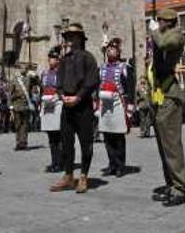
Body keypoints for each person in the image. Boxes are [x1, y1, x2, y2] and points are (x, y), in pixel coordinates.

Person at [50, 23, 99, 194]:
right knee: (66, 142)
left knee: (86, 143)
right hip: (67, 105)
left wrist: (78, 97)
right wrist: (63, 95)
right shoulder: (64, 59)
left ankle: (84, 175)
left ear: (80, 38)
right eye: (68, 36)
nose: (70, 39)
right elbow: (59, 82)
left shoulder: (88, 58)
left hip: (83, 105)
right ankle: (68, 175)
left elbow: (92, 81)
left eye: (73, 36)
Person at [148, 9, 185, 207]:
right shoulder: (164, 34)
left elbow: (164, 43)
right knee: (163, 144)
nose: (157, 23)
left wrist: (155, 32)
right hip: (159, 95)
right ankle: (170, 184)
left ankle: (180, 187)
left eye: (160, 20)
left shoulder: (177, 36)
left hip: (170, 96)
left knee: (172, 144)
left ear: (168, 22)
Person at [98, 38, 130, 178]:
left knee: (118, 135)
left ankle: (120, 166)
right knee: (107, 134)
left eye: (114, 49)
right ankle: (111, 164)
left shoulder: (125, 67)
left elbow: (130, 87)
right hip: (104, 103)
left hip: (118, 102)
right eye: (109, 49)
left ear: (118, 52)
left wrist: (130, 108)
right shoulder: (102, 68)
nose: (111, 51)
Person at [40, 46, 64, 172]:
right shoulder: (44, 73)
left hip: (57, 104)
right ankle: (54, 161)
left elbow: (66, 88)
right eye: (50, 58)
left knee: (58, 135)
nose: (50, 60)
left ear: (58, 60)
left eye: (53, 58)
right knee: (51, 136)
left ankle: (60, 162)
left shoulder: (63, 73)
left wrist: (58, 96)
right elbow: (41, 89)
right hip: (47, 105)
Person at [10, 65, 35, 150]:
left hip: (25, 106)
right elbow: (10, 94)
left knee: (25, 125)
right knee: (17, 125)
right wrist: (10, 106)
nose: (23, 70)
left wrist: (35, 75)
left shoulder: (29, 79)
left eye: (25, 68)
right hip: (17, 105)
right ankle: (18, 143)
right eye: (21, 68)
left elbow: (36, 83)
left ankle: (24, 143)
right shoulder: (14, 80)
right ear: (19, 70)